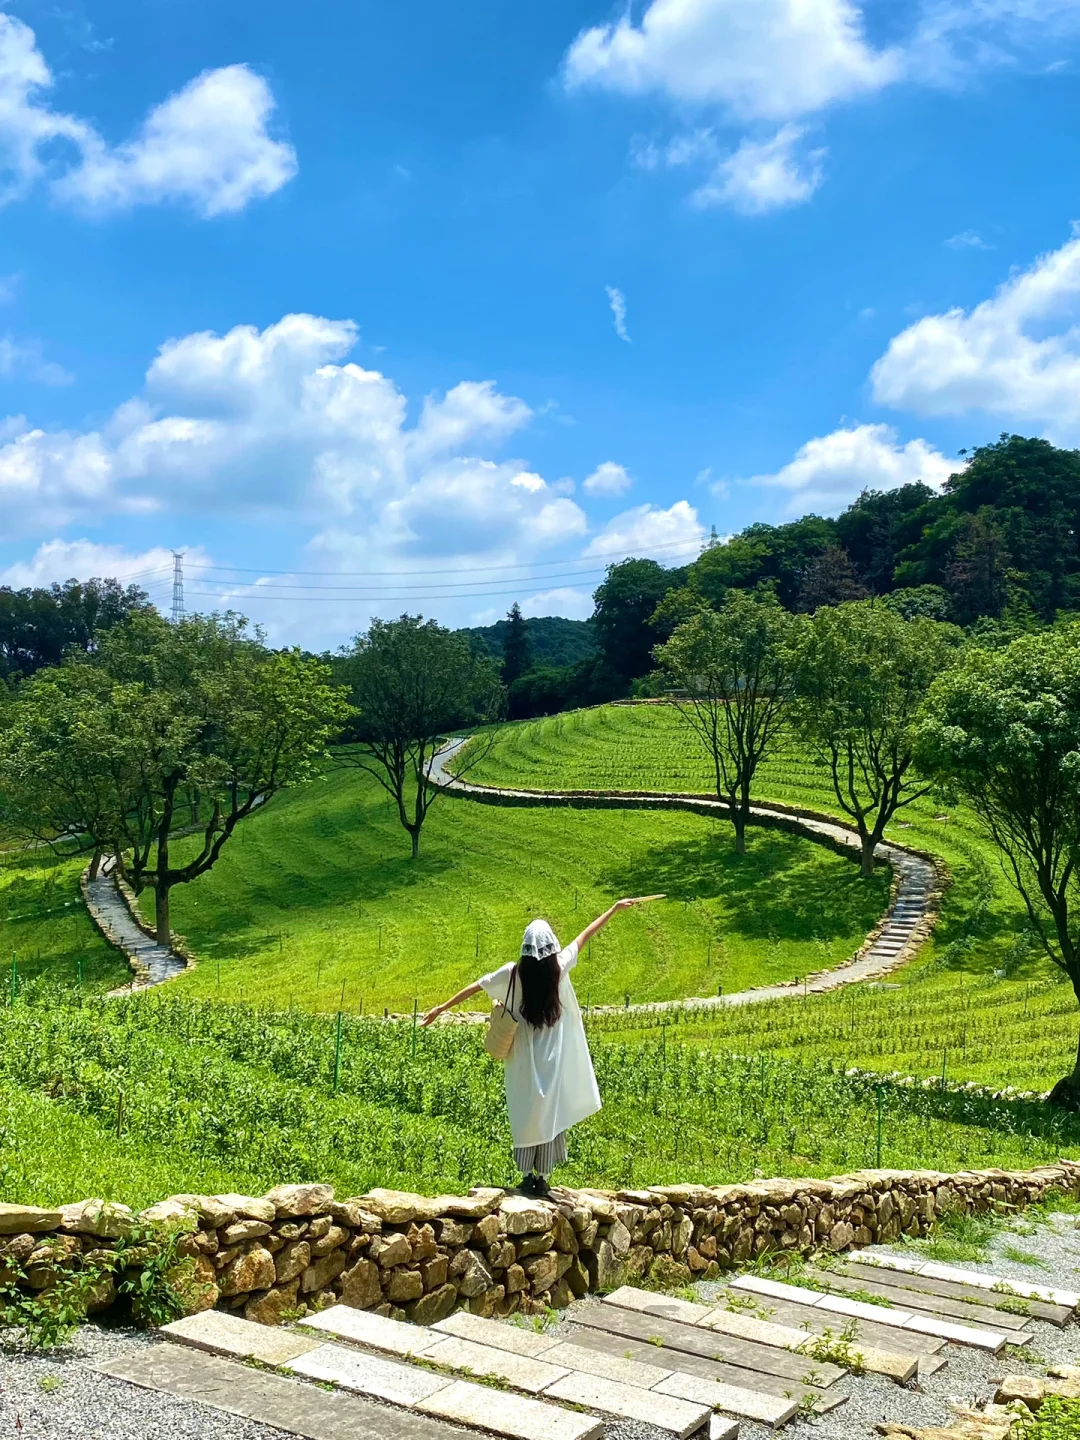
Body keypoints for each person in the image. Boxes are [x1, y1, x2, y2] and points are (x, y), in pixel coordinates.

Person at [421, 896, 663, 1197]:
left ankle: (526, 1175)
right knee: (550, 1114)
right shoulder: (558, 968)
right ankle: (543, 1176)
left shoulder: (513, 973)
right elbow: (585, 936)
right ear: (551, 946)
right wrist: (614, 909)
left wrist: (440, 1009)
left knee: (525, 1113)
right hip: (553, 1059)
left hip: (522, 1059)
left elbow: (475, 986)